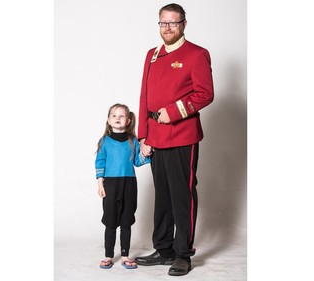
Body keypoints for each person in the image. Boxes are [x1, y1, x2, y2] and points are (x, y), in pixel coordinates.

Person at [135, 3, 214, 276]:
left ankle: (183, 254)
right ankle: (164, 249)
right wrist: (143, 136)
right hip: (155, 138)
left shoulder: (197, 54)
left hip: (182, 136)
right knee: (163, 196)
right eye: (163, 23)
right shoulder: (151, 55)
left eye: (173, 23)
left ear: (184, 24)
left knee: (182, 196)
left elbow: (205, 93)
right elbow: (144, 96)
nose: (168, 28)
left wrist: (174, 112)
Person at [95, 103, 150, 270]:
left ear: (129, 120)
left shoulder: (133, 141)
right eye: (114, 115)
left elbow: (138, 161)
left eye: (121, 116)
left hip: (129, 184)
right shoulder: (104, 141)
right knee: (110, 221)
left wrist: (146, 152)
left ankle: (125, 255)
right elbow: (100, 162)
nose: (117, 118)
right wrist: (100, 184)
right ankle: (108, 256)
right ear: (108, 120)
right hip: (110, 184)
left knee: (126, 220)